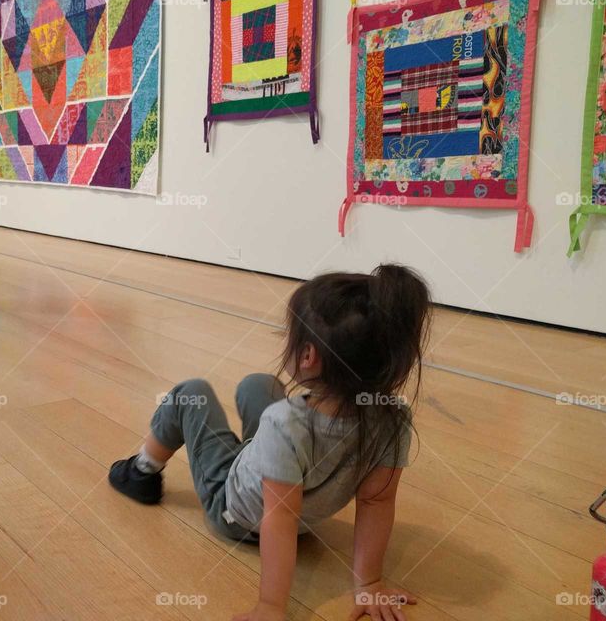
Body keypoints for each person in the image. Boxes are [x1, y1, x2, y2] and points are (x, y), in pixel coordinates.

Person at [109, 265, 430, 621]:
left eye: (288, 337)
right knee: (258, 384)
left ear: (308, 357)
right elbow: (376, 499)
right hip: (296, 508)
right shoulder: (393, 417)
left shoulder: (284, 424)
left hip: (235, 512)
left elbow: (280, 519)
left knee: (192, 394)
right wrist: (368, 582)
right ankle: (230, 454)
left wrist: (271, 606)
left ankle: (142, 471)